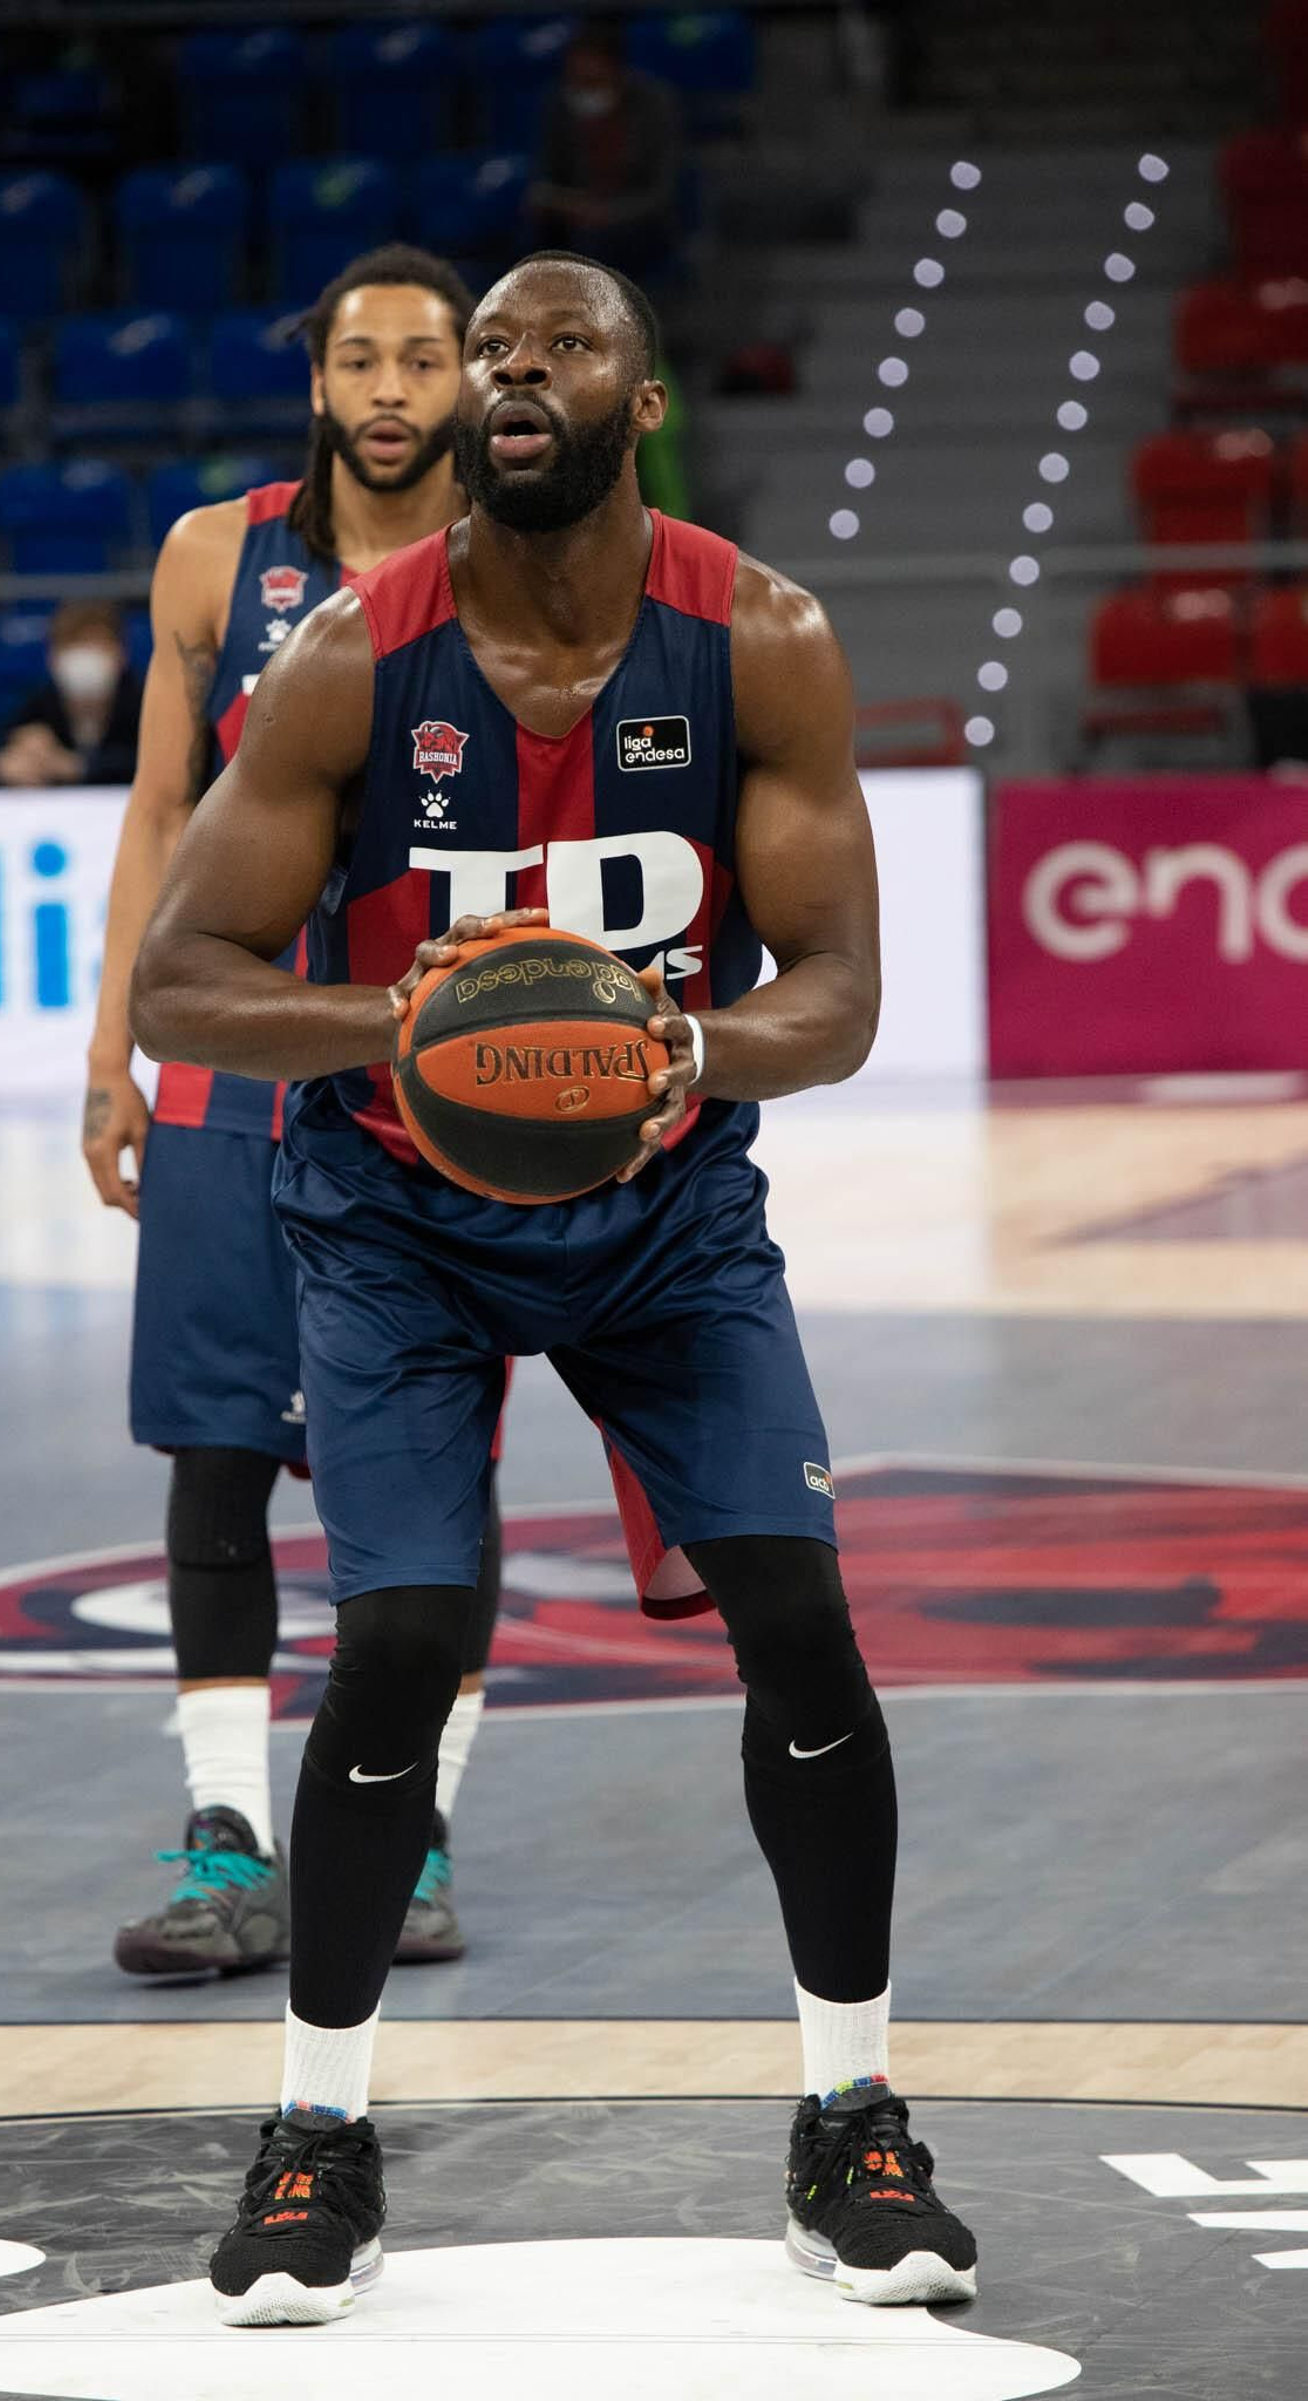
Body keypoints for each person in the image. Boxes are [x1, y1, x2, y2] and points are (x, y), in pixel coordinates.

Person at [133, 249, 980, 2325]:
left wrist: (668, 1052)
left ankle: (847, 2122)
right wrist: (390, 1023)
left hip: (665, 1212)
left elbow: (842, 997)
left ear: (635, 396)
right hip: (396, 1217)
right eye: (486, 349)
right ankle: (316, 2138)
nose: (511, 371)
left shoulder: (754, 637)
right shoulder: (346, 656)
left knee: (797, 1615)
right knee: (404, 1631)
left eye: (555, 343)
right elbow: (180, 978)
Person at [84, 246, 503, 1983]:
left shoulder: (524, 568)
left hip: (432, 1081)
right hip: (234, 1068)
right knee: (219, 1458)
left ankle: (415, 1833)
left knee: (427, 1477)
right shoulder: (214, 556)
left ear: (469, 386)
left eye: (424, 358)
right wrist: (111, 1049)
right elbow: (157, 815)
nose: (394, 388)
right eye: (363, 360)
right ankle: (222, 1834)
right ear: (318, 384)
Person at [528, 19, 682, 278]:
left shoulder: (654, 106)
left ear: (616, 71)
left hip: (635, 220)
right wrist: (558, 201)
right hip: (575, 214)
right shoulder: (559, 105)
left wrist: (609, 214)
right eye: (577, 81)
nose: (583, 90)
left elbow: (660, 193)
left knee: (594, 242)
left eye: (593, 81)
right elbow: (545, 175)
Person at [0, 600, 141, 788]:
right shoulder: (37, 706)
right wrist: (3, 767)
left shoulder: (144, 704)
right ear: (52, 658)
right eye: (74, 645)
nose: (85, 657)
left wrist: (79, 767)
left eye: (96, 646)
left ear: (121, 653)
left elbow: (158, 764)